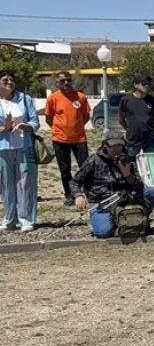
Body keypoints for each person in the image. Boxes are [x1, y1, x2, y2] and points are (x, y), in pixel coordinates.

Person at [73, 131, 154, 239]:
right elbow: (75, 181)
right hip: (102, 202)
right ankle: (115, 222)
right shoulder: (93, 160)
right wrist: (78, 195)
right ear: (105, 145)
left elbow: (139, 186)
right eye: (113, 145)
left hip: (124, 199)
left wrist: (128, 176)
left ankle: (139, 218)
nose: (117, 148)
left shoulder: (128, 160)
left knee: (152, 192)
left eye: (120, 145)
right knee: (103, 233)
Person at [0, 69, 40, 232]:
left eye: (12, 80)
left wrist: (26, 126)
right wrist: (5, 128)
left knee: (25, 184)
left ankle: (27, 219)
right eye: (5, 80)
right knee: (6, 185)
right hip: (3, 149)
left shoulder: (25, 99)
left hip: (25, 147)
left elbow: (35, 122)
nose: (9, 83)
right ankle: (10, 219)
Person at [45, 71, 91, 206]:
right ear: (57, 83)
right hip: (60, 139)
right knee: (65, 169)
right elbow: (49, 118)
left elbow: (86, 116)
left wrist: (76, 128)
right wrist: (60, 129)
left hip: (79, 139)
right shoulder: (53, 98)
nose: (66, 83)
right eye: (63, 81)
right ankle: (69, 194)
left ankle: (88, 192)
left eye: (68, 80)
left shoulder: (81, 97)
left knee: (86, 167)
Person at [118, 75, 154, 157]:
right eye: (144, 83)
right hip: (133, 138)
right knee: (131, 163)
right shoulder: (126, 100)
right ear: (135, 85)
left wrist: (150, 128)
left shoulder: (153, 100)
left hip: (149, 138)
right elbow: (121, 118)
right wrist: (128, 128)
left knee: (151, 162)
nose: (147, 85)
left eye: (148, 83)